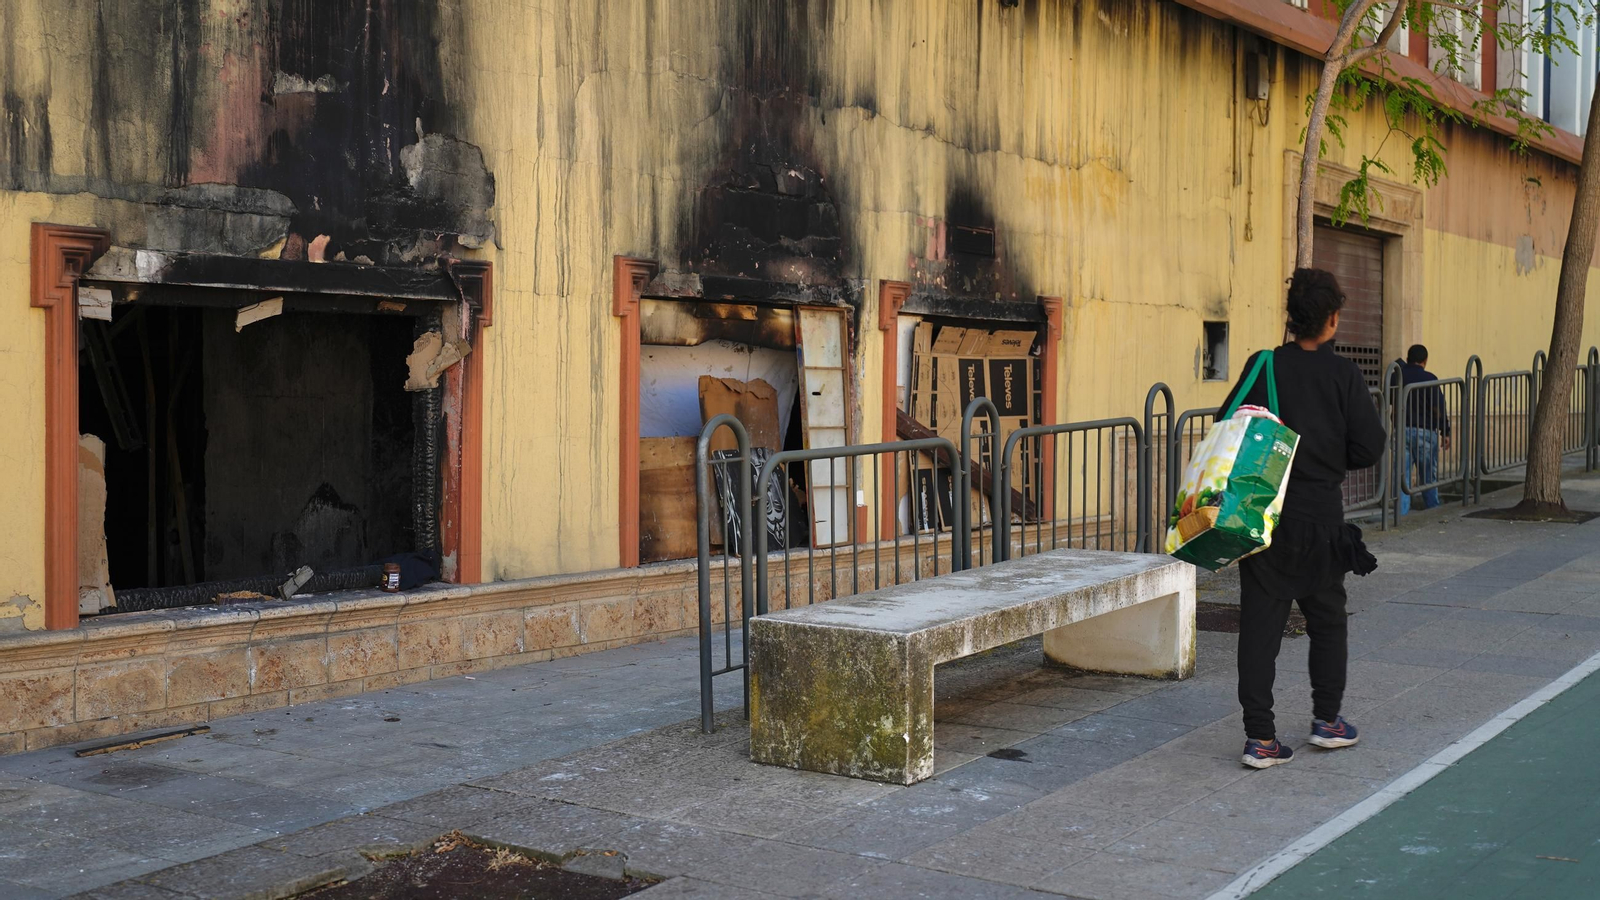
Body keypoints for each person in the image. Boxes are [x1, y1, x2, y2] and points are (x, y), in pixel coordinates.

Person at [1219, 268, 1387, 769]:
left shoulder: (1265, 364)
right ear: (1332, 320)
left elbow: (1227, 425)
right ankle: (1327, 720)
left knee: (1259, 630)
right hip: (1321, 518)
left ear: (1292, 317)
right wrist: (1330, 458)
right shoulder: (1344, 376)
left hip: (1263, 516)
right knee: (1328, 622)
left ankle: (1260, 739)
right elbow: (1369, 446)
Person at [1390, 345, 1450, 515]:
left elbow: (1388, 401)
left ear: (1408, 358)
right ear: (1425, 361)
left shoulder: (1397, 377)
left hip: (1402, 431)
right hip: (1426, 432)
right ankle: (1432, 512)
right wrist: (1445, 431)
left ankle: (1400, 516)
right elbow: (1438, 408)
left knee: (1402, 476)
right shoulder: (1430, 378)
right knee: (1428, 478)